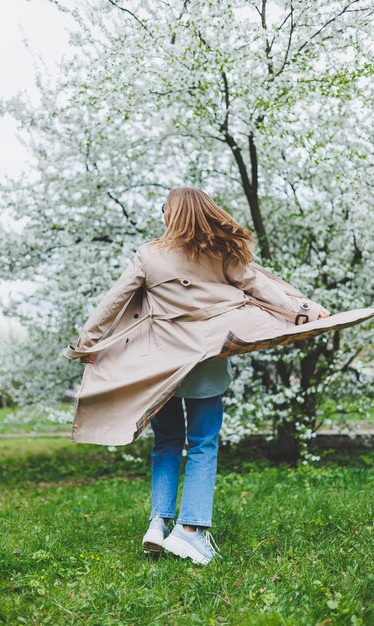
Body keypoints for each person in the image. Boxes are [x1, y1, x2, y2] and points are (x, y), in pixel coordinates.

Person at [80, 187, 330, 565]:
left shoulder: (149, 255)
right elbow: (261, 287)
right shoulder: (222, 253)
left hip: (160, 368)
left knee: (165, 443)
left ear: (173, 214)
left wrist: (89, 342)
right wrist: (307, 312)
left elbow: (113, 301)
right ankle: (191, 531)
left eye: (165, 208)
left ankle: (158, 523)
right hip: (206, 363)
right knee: (202, 444)